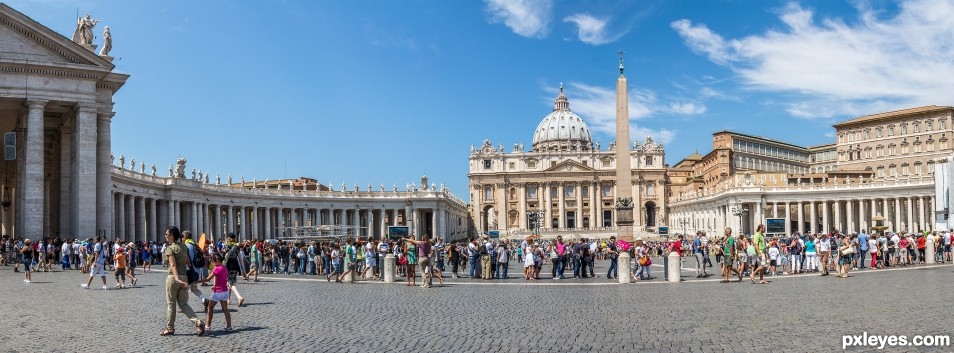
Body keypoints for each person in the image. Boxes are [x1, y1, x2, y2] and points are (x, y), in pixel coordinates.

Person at [160, 226, 206, 336]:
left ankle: (170, 328)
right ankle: (198, 322)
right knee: (183, 304)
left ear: (171, 236)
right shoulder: (184, 247)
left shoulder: (170, 248)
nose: (165, 236)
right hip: (184, 276)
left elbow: (173, 264)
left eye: (167, 234)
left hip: (173, 277)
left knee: (171, 304)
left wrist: (176, 278)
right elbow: (188, 263)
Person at [199, 254, 233, 332]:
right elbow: (222, 278)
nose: (213, 263)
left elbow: (207, 279)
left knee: (210, 308)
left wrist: (196, 281)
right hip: (225, 291)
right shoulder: (224, 268)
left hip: (218, 292)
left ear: (217, 261)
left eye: (213, 261)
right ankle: (229, 326)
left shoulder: (217, 269)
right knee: (225, 309)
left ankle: (208, 326)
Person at [221, 234, 245, 307]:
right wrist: (243, 270)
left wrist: (222, 266)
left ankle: (239, 297)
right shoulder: (237, 246)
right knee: (229, 283)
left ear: (229, 238)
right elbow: (240, 259)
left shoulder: (227, 245)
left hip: (228, 265)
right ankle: (228, 299)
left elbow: (225, 256)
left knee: (231, 284)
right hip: (235, 265)